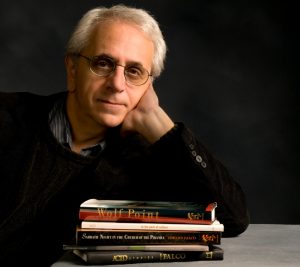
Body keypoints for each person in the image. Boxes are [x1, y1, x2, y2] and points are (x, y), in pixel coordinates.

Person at [0, 4, 249, 266]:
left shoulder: (144, 160)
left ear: (149, 85)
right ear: (72, 70)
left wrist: (156, 120)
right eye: (103, 63)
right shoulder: (7, 117)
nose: (117, 84)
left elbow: (233, 218)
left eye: (134, 71)